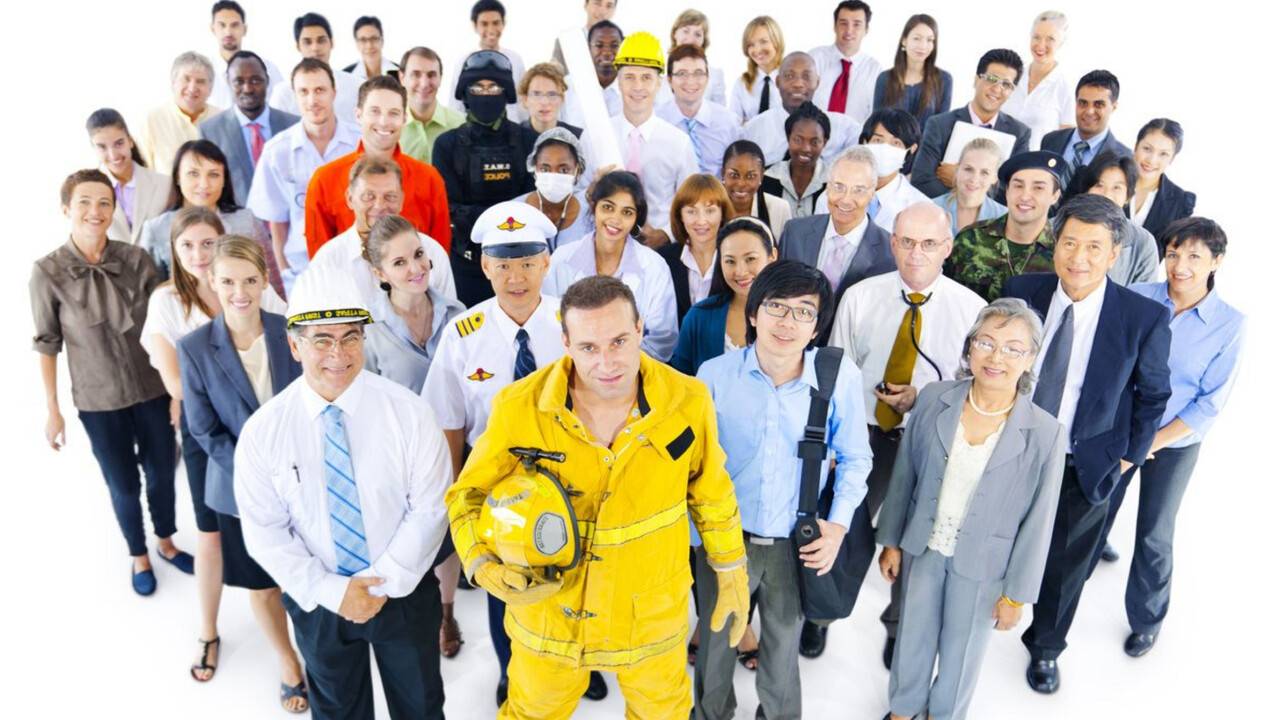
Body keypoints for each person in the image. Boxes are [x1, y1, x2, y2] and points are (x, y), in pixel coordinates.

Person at [446, 275, 751, 719]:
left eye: (619, 341)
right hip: (551, 615)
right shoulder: (519, 406)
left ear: (640, 329)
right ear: (565, 342)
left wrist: (731, 568)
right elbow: (467, 495)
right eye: (588, 347)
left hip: (650, 617)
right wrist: (479, 562)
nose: (607, 362)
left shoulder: (687, 400)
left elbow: (712, 493)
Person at [234, 262, 453, 720]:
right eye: (322, 340)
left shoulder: (410, 413)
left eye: (351, 336)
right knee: (338, 712)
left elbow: (430, 510)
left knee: (421, 707)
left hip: (405, 593)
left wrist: (380, 583)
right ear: (294, 345)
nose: (339, 353)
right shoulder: (263, 432)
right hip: (318, 600)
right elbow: (266, 532)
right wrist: (334, 592)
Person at [424, 200, 612, 706]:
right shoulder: (463, 335)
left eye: (528, 263)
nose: (516, 277)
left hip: (572, 472)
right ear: (485, 267)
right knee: (507, 578)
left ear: (547, 262)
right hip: (499, 480)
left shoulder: (575, 323)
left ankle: (583, 662)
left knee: (579, 570)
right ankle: (513, 669)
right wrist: (458, 497)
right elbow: (449, 422)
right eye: (504, 264)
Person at [1002, 194, 1172, 695]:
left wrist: (1128, 458)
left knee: (1066, 563)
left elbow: (1153, 394)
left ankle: (1045, 648)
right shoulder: (1022, 291)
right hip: (1012, 447)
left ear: (1114, 253)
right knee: (994, 537)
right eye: (1070, 242)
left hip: (1088, 459)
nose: (1079, 257)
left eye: (1094, 247)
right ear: (1054, 243)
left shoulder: (1142, 316)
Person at [694, 260, 872, 720]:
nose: (788, 322)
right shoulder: (713, 376)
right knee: (715, 646)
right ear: (754, 312)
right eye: (776, 306)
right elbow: (695, 466)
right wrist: (696, 541)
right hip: (724, 541)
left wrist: (836, 528)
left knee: (782, 647)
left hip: (796, 542)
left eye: (804, 312)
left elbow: (856, 458)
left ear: (817, 327)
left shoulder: (838, 378)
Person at [877, 298, 1066, 720]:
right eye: (986, 342)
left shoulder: (1046, 433)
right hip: (924, 545)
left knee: (962, 652)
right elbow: (905, 473)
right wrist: (890, 541)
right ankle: (903, 709)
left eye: (1013, 348)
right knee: (913, 636)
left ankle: (944, 714)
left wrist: (1016, 594)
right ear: (970, 346)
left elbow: (1039, 521)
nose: (996, 357)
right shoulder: (934, 398)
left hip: (986, 564)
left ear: (1030, 359)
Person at [829, 202, 987, 668]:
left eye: (929, 244)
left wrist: (921, 398)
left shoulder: (972, 310)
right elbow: (836, 374)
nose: (917, 254)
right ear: (893, 243)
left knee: (915, 539)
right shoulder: (860, 297)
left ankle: (899, 625)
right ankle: (824, 612)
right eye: (908, 242)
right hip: (864, 434)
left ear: (948, 248)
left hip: (929, 441)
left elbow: (974, 388)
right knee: (847, 525)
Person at [141, 209, 286, 684]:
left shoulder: (266, 303)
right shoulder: (171, 306)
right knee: (213, 536)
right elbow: (184, 396)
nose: (199, 255)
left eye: (208, 244)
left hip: (277, 444)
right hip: (217, 441)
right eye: (188, 246)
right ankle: (210, 631)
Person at [32, 169, 189, 596]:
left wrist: (177, 390)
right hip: (98, 400)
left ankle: (167, 541)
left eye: (104, 202)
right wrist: (53, 410)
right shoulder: (47, 272)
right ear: (66, 209)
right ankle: (138, 554)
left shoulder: (136, 259)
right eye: (84, 202)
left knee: (162, 472)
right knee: (123, 483)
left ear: (113, 209)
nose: (95, 211)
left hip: (152, 389)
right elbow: (47, 343)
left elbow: (164, 323)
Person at [1096, 218, 1245, 658]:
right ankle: (1070, 579)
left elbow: (1208, 404)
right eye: (1174, 253)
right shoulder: (1138, 296)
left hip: (1175, 441)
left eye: (1195, 256)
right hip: (1122, 430)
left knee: (1155, 531)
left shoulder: (1229, 324)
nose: (1180, 265)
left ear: (1216, 261)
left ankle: (1146, 620)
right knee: (1094, 508)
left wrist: (1150, 444)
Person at [175, 234, 307, 713]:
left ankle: (320, 653)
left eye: (250, 280)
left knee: (307, 577)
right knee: (262, 584)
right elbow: (203, 429)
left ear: (265, 279)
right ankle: (288, 663)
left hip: (303, 478)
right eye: (228, 281)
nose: (240, 292)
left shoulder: (291, 330)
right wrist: (259, 476)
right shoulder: (194, 347)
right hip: (238, 489)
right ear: (211, 280)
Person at [434, 50, 539, 305]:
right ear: (465, 93)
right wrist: (503, 216)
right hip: (468, 265)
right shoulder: (447, 145)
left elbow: (534, 205)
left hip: (522, 261)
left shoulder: (528, 141)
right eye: (478, 88)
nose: (486, 94)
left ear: (505, 92)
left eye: (493, 87)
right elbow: (450, 208)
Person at [247, 58, 362, 292]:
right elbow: (277, 223)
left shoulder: (360, 143)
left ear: (334, 92)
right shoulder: (277, 151)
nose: (312, 100)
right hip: (301, 272)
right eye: (304, 92)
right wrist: (285, 272)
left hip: (356, 267)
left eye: (319, 90)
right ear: (295, 96)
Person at [305, 75, 452, 257]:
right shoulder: (325, 180)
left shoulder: (429, 179)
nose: (383, 121)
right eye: (375, 111)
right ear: (358, 115)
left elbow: (438, 255)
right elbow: (321, 259)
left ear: (404, 118)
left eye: (393, 113)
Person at [544, 171, 679, 360]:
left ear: (636, 218)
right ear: (594, 207)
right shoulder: (562, 260)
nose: (615, 219)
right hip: (573, 368)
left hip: (634, 371)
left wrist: (618, 366)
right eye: (608, 207)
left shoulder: (654, 267)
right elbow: (550, 325)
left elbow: (662, 339)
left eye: (627, 212)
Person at [306, 156, 455, 323]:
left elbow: (451, 321)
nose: (379, 206)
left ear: (402, 199)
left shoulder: (431, 251)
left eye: (390, 196)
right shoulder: (328, 261)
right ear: (350, 198)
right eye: (368, 196)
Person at [588, 31, 700, 249]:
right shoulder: (595, 136)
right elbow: (577, 195)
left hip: (661, 251)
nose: (638, 86)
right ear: (618, 82)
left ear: (659, 84)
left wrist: (666, 234)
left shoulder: (678, 143)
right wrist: (592, 189)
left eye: (646, 78)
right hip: (604, 246)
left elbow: (692, 203)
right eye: (629, 77)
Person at [776, 146, 896, 320]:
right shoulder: (795, 232)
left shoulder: (889, 252)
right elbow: (779, 292)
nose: (846, 199)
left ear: (872, 193)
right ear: (827, 187)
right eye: (839, 187)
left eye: (858, 190)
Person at [360, 214, 466, 393]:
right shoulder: (368, 330)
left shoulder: (457, 314)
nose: (416, 268)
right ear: (380, 274)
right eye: (399, 262)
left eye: (418, 254)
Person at [140, 139, 269, 282]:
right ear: (177, 177)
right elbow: (150, 288)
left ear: (224, 180)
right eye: (193, 174)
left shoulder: (246, 221)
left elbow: (270, 277)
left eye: (213, 175)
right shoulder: (156, 229)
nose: (204, 184)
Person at [945, 150, 1066, 301]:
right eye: (1018, 186)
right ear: (1007, 191)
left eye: (1038, 188)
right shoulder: (970, 239)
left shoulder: (1062, 253)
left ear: (1055, 196)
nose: (1025, 196)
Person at [910, 49, 1031, 199]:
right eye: (991, 79)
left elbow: (1013, 191)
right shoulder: (939, 125)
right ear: (976, 80)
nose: (997, 89)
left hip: (989, 215)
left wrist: (958, 178)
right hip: (941, 211)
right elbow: (921, 181)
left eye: (1006, 84)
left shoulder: (1019, 134)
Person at [671, 216, 779, 375]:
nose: (740, 272)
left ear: (772, 256)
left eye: (750, 259)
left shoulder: (792, 315)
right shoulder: (699, 316)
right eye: (730, 261)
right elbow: (678, 379)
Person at [200, 50, 300, 207]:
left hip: (289, 216)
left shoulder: (294, 126)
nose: (247, 89)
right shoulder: (210, 132)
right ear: (228, 83)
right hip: (235, 219)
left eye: (255, 80)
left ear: (267, 81)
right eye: (239, 81)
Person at [742, 52, 860, 166]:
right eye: (789, 76)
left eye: (806, 76)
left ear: (817, 82)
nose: (798, 84)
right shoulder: (753, 129)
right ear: (777, 82)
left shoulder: (846, 129)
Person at [1066, 151, 1162, 286]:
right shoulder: (1056, 226)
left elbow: (1143, 296)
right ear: (1086, 190)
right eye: (1099, 185)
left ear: (1128, 196)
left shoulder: (1143, 243)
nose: (1106, 195)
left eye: (1117, 188)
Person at [658, 174, 732, 325]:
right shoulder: (662, 259)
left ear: (722, 214)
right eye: (691, 211)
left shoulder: (735, 260)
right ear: (680, 215)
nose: (701, 221)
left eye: (710, 211)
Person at [87, 108, 169, 245]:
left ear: (130, 141)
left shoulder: (164, 185)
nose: (113, 155)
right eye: (102, 147)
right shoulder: (87, 191)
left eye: (119, 143)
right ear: (93, 149)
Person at [658, 45, 741, 176]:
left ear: (707, 78)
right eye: (682, 74)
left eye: (698, 73)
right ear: (669, 80)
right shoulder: (656, 122)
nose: (691, 81)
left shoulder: (729, 122)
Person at [1040, 70, 1131, 183]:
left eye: (1098, 104)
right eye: (1083, 103)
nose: (1089, 111)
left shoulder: (1124, 158)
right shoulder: (1050, 140)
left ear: (1114, 107)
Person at [268, 13, 360, 122]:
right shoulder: (283, 93)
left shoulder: (356, 86)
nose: (315, 48)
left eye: (321, 40)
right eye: (307, 42)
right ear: (298, 46)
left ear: (331, 43)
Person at [140, 52, 221, 175]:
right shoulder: (152, 120)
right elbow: (142, 172)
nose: (192, 88)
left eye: (200, 81)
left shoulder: (223, 120)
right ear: (173, 83)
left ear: (210, 89)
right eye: (186, 79)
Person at [1003, 11, 1074, 150]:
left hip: (1036, 162)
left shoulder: (1066, 88)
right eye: (1036, 37)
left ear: (1061, 43)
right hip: (997, 158)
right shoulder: (1012, 75)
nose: (1041, 45)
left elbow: (1066, 143)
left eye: (1050, 39)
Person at [449, 0, 527, 122]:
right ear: (475, 26)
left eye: (496, 23)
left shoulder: (515, 60)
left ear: (503, 23)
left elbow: (523, 103)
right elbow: (456, 106)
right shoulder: (464, 62)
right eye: (484, 24)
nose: (491, 29)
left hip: (511, 127)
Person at [517, 127, 592, 251]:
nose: (553, 176)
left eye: (563, 170)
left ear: (577, 170)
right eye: (545, 169)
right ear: (534, 168)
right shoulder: (515, 211)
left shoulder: (591, 213)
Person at [811, 1, 882, 128]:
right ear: (835, 26)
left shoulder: (875, 70)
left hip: (855, 138)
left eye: (856, 24)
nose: (849, 31)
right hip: (811, 136)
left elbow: (876, 116)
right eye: (843, 23)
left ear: (866, 29)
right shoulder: (814, 59)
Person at [873, 14, 951, 129]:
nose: (923, 46)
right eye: (917, 38)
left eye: (929, 40)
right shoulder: (885, 78)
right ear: (904, 40)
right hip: (890, 141)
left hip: (928, 141)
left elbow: (941, 129)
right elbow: (875, 125)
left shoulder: (944, 79)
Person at [858, 107, 929, 230]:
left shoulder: (921, 207)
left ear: (911, 149)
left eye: (896, 143)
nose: (885, 149)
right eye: (878, 140)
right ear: (865, 142)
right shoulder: (836, 190)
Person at [207, 1, 285, 110]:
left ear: (244, 29)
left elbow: (281, 109)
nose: (228, 32)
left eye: (234, 25)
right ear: (212, 29)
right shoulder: (204, 71)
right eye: (222, 25)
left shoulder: (268, 69)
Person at [760, 102, 831, 219]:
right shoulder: (766, 177)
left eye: (814, 142)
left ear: (824, 142)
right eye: (798, 140)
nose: (806, 148)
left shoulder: (834, 182)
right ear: (788, 138)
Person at [1132, 118, 1196, 246]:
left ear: (1172, 158)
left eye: (1163, 154)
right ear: (1136, 147)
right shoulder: (1109, 182)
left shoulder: (1180, 202)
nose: (1151, 160)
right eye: (1147, 149)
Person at [399, 47, 467, 165]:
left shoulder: (462, 126)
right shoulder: (388, 128)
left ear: (440, 78)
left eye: (431, 75)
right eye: (416, 74)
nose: (424, 84)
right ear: (402, 78)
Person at [932, 137, 1005, 237]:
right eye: (968, 169)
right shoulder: (931, 208)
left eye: (984, 172)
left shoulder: (1005, 219)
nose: (974, 179)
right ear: (957, 169)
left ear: (995, 178)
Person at [722, 141, 792, 240]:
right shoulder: (710, 206)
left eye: (751, 176)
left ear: (761, 176)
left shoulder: (779, 209)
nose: (741, 183)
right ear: (723, 173)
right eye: (734, 175)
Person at [561, 20, 625, 127]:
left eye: (614, 45)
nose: (607, 52)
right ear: (588, 48)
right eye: (599, 45)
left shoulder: (636, 88)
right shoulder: (568, 86)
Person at [728, 16, 784, 124]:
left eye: (763, 41)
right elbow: (733, 126)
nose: (757, 50)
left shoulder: (791, 81)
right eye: (751, 45)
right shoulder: (742, 84)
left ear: (777, 41)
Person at [669, 9, 727, 106]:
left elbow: (721, 112)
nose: (691, 39)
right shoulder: (658, 74)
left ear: (704, 40)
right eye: (686, 31)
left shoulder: (715, 76)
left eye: (698, 34)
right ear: (675, 34)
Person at [518, 63, 581, 136]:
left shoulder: (578, 137)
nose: (544, 102)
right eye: (537, 94)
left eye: (552, 94)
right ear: (525, 100)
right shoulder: (511, 138)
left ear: (562, 99)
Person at [343, 16, 399, 80]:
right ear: (357, 44)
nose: (369, 45)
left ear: (382, 41)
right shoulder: (345, 75)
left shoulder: (400, 73)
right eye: (363, 40)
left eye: (374, 38)